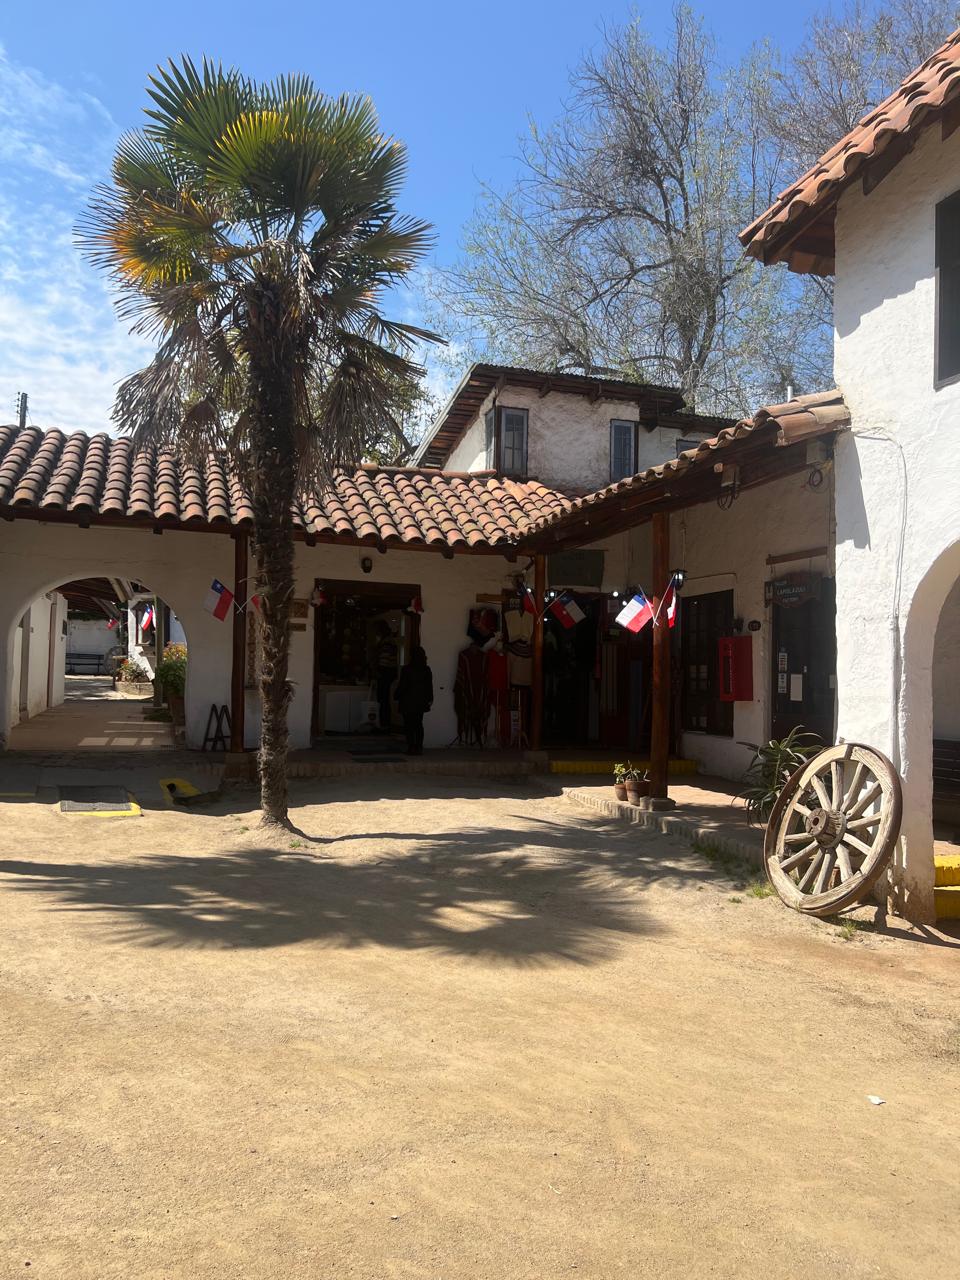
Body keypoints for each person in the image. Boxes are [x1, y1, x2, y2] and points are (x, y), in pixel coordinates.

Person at [394, 646, 434, 756]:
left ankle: (411, 747)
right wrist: (430, 699)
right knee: (418, 724)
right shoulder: (426, 670)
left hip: (408, 701)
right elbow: (429, 686)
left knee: (409, 725)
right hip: (420, 701)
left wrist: (396, 695)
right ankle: (419, 747)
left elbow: (403, 686)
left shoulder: (407, 669)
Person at [372, 621, 398, 732]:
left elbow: (384, 659)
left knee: (383, 698)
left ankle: (384, 723)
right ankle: (384, 722)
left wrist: (378, 671)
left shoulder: (386, 642)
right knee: (384, 698)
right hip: (388, 672)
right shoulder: (389, 640)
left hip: (385, 672)